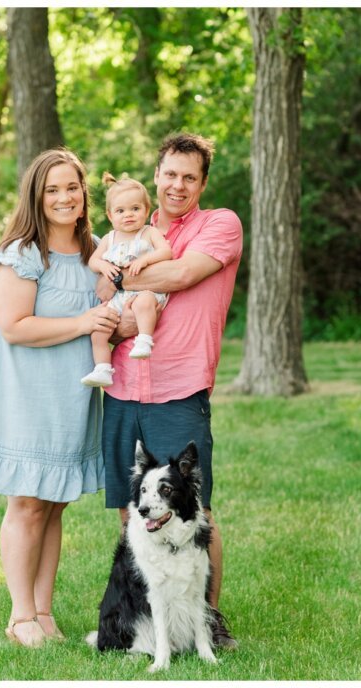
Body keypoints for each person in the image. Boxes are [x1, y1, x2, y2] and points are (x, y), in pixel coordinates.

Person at [0, 148, 121, 649]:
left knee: (54, 503)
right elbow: (14, 327)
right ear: (36, 196)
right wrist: (82, 322)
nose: (63, 197)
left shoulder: (97, 248)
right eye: (51, 189)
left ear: (84, 194)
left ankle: (43, 612)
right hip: (26, 393)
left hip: (71, 396)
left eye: (71, 187)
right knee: (28, 503)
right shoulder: (24, 252)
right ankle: (19, 617)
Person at [96, 132, 242, 649]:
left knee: (193, 512)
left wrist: (124, 286)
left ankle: (207, 623)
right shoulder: (129, 225)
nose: (177, 185)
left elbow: (181, 274)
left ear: (202, 183)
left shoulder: (219, 225)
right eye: (170, 174)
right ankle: (150, 626)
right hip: (122, 388)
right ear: (156, 175)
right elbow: (103, 304)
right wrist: (125, 303)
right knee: (134, 511)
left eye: (189, 176)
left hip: (179, 387)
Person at [81, 173, 172, 387]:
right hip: (119, 297)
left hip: (145, 292)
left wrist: (147, 259)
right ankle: (103, 368)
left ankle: (144, 339)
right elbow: (94, 261)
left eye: (135, 209)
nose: (128, 215)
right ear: (110, 215)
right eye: (120, 211)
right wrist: (104, 265)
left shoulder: (149, 233)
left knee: (143, 304)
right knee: (99, 328)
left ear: (146, 210)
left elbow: (166, 252)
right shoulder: (108, 239)